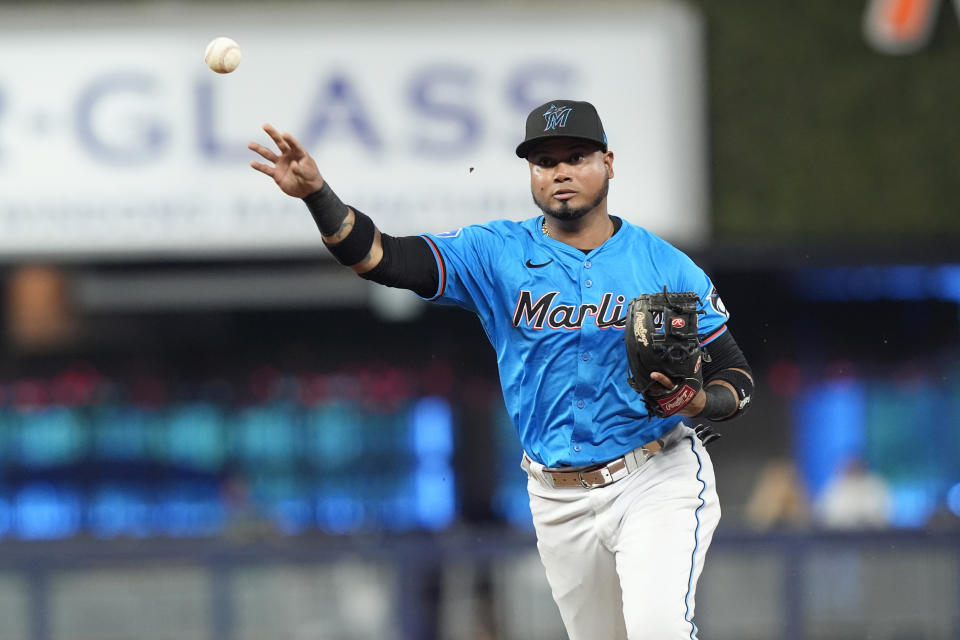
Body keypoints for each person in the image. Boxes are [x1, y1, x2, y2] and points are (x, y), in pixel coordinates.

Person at [249, 100, 755, 639]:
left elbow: (736, 375)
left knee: (659, 631)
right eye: (543, 161)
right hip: (558, 496)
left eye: (576, 156)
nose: (559, 171)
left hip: (656, 474)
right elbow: (381, 257)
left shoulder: (665, 265)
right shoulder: (496, 253)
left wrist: (700, 402)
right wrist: (317, 196)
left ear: (609, 162)